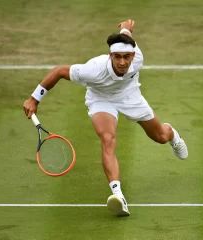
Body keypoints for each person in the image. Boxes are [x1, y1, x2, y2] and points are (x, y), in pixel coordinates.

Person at [23, 19, 188, 217]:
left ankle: (173, 135)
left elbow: (127, 36)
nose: (122, 62)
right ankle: (118, 195)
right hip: (101, 99)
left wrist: (126, 29)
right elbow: (58, 71)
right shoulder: (93, 70)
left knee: (160, 136)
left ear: (133, 56)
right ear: (110, 55)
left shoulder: (138, 59)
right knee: (107, 138)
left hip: (130, 96)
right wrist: (34, 98)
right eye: (117, 57)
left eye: (127, 57)